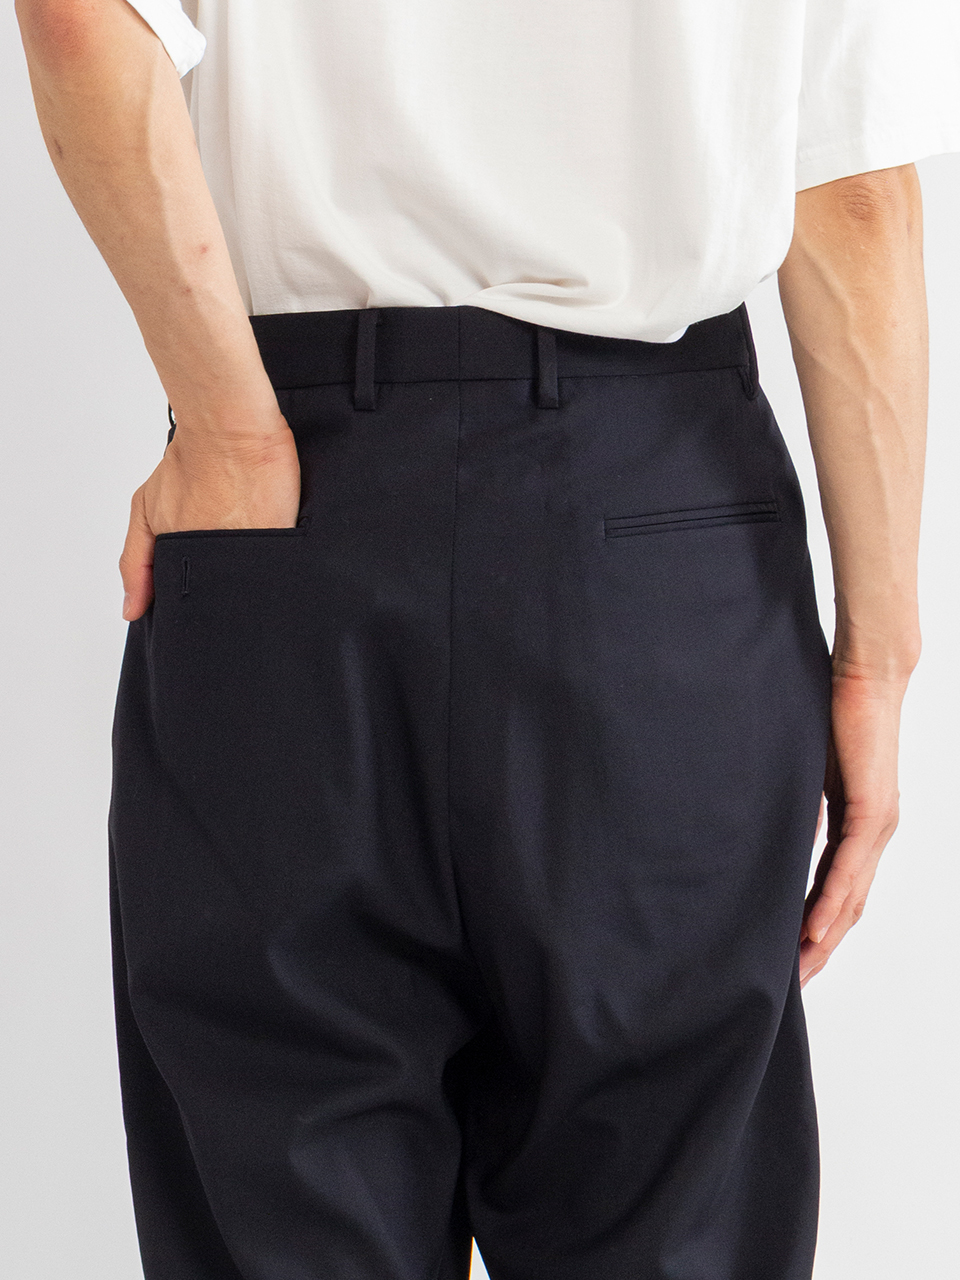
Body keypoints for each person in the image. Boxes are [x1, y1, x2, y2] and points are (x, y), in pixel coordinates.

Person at [15, 1, 959, 1277]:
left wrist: (229, 432)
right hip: (657, 541)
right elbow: (851, 192)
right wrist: (876, 657)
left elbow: (81, 20)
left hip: (288, 523)